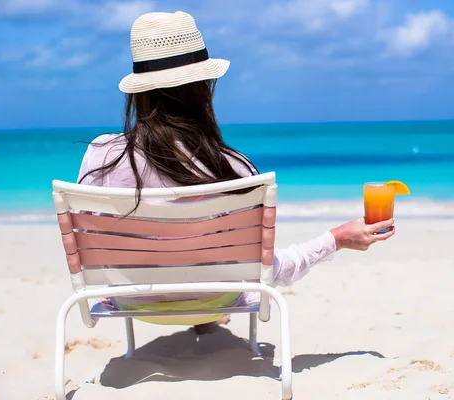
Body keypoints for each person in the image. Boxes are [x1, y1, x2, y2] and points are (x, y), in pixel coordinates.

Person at [78, 11, 395, 332]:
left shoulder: (102, 155)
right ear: (204, 87)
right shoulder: (231, 168)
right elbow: (269, 271)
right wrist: (337, 239)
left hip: (132, 300)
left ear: (140, 91)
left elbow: (89, 242)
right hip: (215, 298)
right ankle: (203, 313)